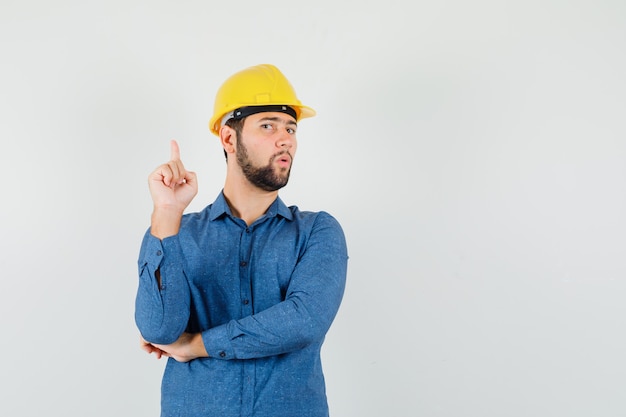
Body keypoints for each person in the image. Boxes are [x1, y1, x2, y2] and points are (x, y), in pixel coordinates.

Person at [134, 64, 348, 417]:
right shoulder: (175, 233)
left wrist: (199, 344)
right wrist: (167, 212)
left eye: (291, 128)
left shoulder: (317, 232)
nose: (286, 139)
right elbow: (158, 328)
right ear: (228, 138)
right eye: (268, 126)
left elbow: (303, 320)